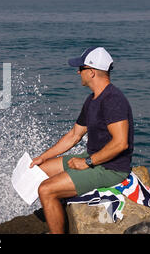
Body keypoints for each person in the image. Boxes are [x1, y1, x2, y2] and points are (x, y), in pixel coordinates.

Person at [29, 46, 134, 234]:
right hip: (94, 157)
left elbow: (121, 143)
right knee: (38, 172)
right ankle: (62, 209)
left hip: (111, 168)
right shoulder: (93, 99)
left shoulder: (113, 100)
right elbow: (74, 135)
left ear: (92, 72)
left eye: (81, 68)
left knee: (46, 189)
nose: (78, 72)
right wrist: (42, 157)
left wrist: (87, 162)